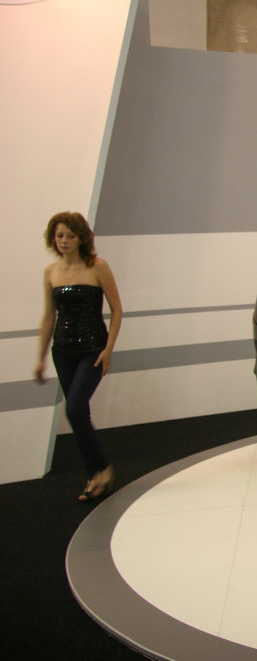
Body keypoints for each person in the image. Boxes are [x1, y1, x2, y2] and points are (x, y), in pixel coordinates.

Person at [35, 212, 122, 501]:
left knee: (73, 409)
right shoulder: (50, 272)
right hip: (62, 351)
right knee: (78, 411)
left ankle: (101, 469)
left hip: (93, 348)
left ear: (81, 238)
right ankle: (96, 474)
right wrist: (40, 358)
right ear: (53, 238)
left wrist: (109, 349)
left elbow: (117, 310)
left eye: (70, 236)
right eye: (59, 235)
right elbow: (49, 317)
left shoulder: (98, 266)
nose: (64, 241)